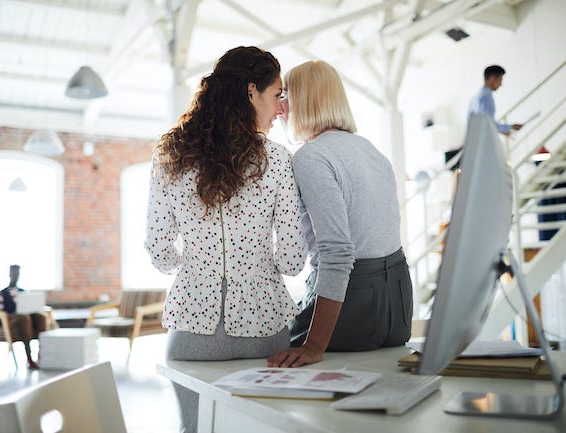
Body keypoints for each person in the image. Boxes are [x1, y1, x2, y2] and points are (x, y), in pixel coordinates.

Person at [145, 46, 306, 433]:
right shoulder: (277, 159)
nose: (281, 107)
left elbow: (158, 249)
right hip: (264, 333)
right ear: (252, 92)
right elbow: (292, 260)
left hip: (191, 332)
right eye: (277, 94)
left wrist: (192, 265)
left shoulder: (170, 155)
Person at [267, 61, 413, 369]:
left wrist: (314, 346)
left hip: (353, 304)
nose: (280, 108)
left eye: (285, 96)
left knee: (267, 351)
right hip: (397, 306)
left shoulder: (311, 157)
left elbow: (338, 252)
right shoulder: (370, 150)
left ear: (304, 100)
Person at [446, 65, 525, 170]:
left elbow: (484, 122)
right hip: (481, 146)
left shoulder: (476, 97)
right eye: (500, 80)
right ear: (492, 78)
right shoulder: (486, 97)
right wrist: (510, 127)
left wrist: (503, 130)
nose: (501, 84)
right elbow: (487, 123)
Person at [0, 264, 46, 369]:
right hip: (10, 319)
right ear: (9, 274)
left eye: (18, 273)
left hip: (25, 316)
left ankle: (41, 354)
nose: (16, 276)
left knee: (40, 317)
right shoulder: (1, 294)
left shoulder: (23, 293)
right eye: (14, 273)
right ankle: (29, 357)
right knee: (24, 318)